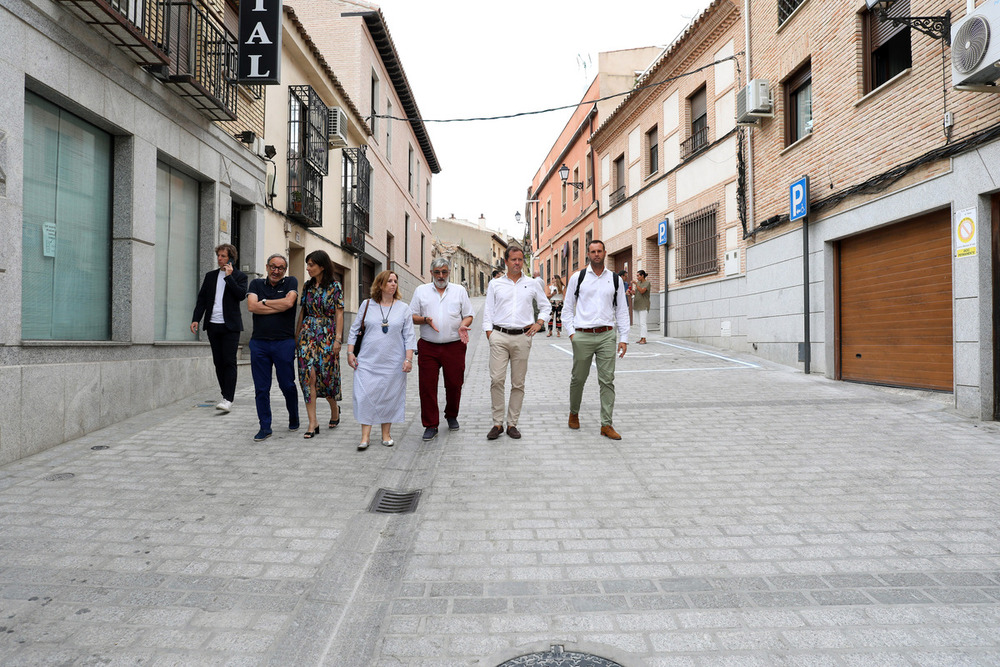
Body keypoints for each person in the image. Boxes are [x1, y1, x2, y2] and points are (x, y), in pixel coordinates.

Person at [562, 240, 630, 440]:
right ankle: (574, 412)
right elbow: (567, 309)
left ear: (605, 253)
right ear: (588, 254)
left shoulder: (615, 280)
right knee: (578, 379)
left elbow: (622, 310)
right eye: (593, 251)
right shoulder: (578, 277)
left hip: (607, 335)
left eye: (599, 251)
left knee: (607, 380)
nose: (596, 254)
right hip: (582, 335)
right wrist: (572, 334)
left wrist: (623, 337)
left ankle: (606, 424)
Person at [482, 245, 550, 441]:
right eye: (513, 259)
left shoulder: (532, 283)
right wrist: (490, 335)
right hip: (499, 336)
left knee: (518, 383)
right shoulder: (495, 284)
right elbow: (488, 311)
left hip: (523, 336)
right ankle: (497, 423)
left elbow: (545, 306)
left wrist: (539, 323)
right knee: (496, 380)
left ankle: (512, 423)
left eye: (520, 259)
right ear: (506, 261)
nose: (517, 263)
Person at [346, 270, 416, 451]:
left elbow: (409, 336)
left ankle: (386, 434)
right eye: (389, 281)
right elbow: (354, 330)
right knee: (364, 397)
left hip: (393, 363)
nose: (393, 284)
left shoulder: (403, 308)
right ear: (380, 284)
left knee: (389, 397)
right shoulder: (367, 305)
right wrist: (350, 353)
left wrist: (408, 359)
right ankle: (365, 437)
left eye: (395, 281)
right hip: (367, 362)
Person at [411, 258, 475, 441]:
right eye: (437, 272)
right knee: (427, 386)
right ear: (431, 272)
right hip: (428, 346)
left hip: (454, 346)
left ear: (449, 273)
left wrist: (463, 325)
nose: (441, 276)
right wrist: (425, 320)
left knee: (454, 384)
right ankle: (431, 424)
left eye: (444, 272)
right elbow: (412, 315)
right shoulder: (421, 291)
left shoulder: (459, 291)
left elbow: (469, 314)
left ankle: (451, 414)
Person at [247, 253, 300, 442]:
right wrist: (277, 306)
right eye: (273, 267)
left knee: (287, 384)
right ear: (267, 267)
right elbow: (252, 307)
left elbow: (289, 303)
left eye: (280, 268)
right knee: (261, 388)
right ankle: (265, 426)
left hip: (284, 342)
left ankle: (293, 415)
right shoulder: (255, 284)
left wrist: (265, 302)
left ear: (285, 270)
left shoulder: (291, 282)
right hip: (259, 343)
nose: (276, 271)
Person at [190, 243, 248, 414]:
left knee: (229, 361)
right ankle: (225, 394)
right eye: (219, 256)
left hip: (230, 326)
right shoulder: (210, 276)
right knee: (218, 362)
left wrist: (229, 277)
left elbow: (240, 295)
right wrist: (196, 319)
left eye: (223, 256)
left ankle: (228, 398)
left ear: (231, 258)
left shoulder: (239, 276)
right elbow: (202, 300)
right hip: (213, 324)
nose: (219, 259)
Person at [295, 250, 344, 439]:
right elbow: (303, 312)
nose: (308, 268)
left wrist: (338, 339)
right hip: (308, 333)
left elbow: (339, 313)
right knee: (308, 377)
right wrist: (297, 336)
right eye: (307, 265)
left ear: (322, 266)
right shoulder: (307, 286)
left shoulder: (335, 286)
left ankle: (335, 410)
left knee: (326, 377)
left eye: (311, 265)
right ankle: (312, 422)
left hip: (327, 334)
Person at [633, 269, 651, 345]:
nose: (637, 277)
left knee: (643, 323)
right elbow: (637, 293)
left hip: (644, 305)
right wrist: (631, 292)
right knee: (639, 323)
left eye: (638, 276)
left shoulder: (647, 283)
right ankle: (641, 337)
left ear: (642, 276)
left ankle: (644, 338)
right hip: (637, 305)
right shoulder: (638, 283)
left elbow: (642, 291)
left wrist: (636, 284)